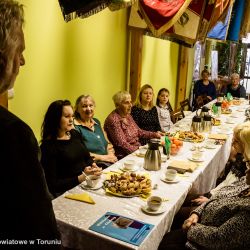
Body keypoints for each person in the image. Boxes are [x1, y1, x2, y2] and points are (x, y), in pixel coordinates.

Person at [0, 0, 60, 246]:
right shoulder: (13, 133)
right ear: (2, 56)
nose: (22, 61)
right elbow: (39, 231)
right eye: (20, 51)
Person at [159, 125, 250, 250]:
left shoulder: (247, 213)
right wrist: (197, 212)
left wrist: (190, 227)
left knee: (166, 239)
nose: (246, 170)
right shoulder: (246, 181)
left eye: (248, 163)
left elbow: (219, 238)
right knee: (177, 201)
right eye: (247, 163)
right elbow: (224, 191)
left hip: (199, 240)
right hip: (204, 215)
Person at [40, 100, 102, 198]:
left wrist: (94, 166)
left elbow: (87, 157)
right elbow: (53, 185)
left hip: (85, 184)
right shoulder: (48, 147)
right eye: (67, 116)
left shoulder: (74, 134)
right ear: (55, 119)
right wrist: (82, 177)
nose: (71, 120)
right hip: (66, 193)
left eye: (72, 116)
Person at [104, 91, 161, 159]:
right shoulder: (113, 120)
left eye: (130, 102)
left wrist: (154, 134)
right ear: (117, 105)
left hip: (136, 150)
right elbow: (122, 144)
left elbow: (139, 131)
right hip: (124, 156)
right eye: (126, 103)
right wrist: (139, 150)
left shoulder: (127, 116)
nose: (130, 105)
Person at [74, 95, 117, 168]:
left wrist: (111, 155)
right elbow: (80, 153)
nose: (88, 109)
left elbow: (108, 143)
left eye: (91, 105)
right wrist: (105, 158)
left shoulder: (97, 122)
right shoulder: (75, 127)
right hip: (92, 167)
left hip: (108, 162)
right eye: (84, 106)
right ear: (77, 109)